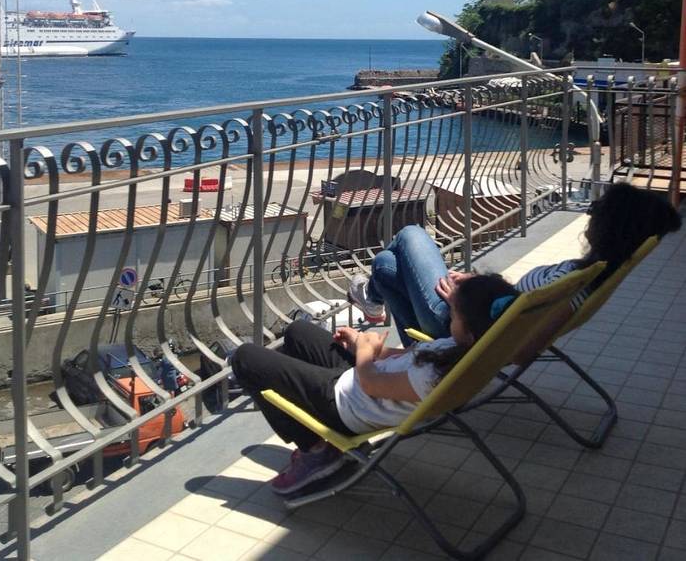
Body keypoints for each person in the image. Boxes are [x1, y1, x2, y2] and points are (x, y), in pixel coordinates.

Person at [231, 273, 518, 494]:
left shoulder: (431, 377)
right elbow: (406, 355)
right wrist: (362, 344)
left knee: (245, 359)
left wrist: (366, 352)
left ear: (469, 332)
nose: (449, 320)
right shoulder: (464, 351)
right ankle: (315, 433)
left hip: (345, 406)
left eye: (453, 316)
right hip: (361, 382)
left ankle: (317, 449)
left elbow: (372, 384)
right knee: (297, 331)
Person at [349, 182, 681, 345]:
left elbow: (521, 347)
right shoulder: (591, 274)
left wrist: (457, 301)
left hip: (457, 323)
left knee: (409, 234)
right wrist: (479, 285)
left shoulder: (572, 282)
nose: (589, 214)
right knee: (385, 264)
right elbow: (515, 308)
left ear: (612, 228)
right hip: (479, 312)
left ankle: (372, 298)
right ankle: (374, 296)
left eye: (595, 210)